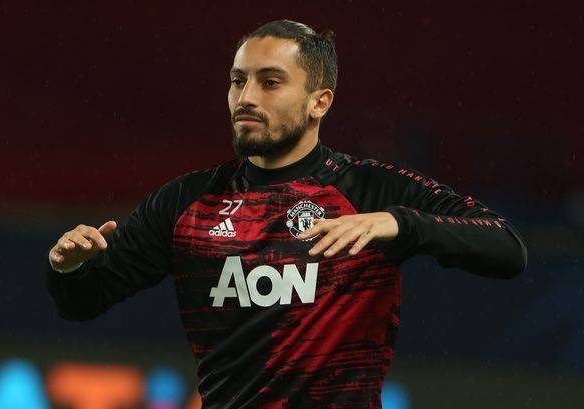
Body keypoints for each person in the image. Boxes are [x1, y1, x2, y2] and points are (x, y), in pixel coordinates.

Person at [46, 19, 527, 408]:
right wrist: (67, 268)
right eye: (238, 81)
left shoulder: (370, 190)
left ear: (320, 102)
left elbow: (507, 248)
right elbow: (83, 301)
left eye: (270, 82)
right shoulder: (187, 203)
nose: (246, 97)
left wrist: (399, 223)